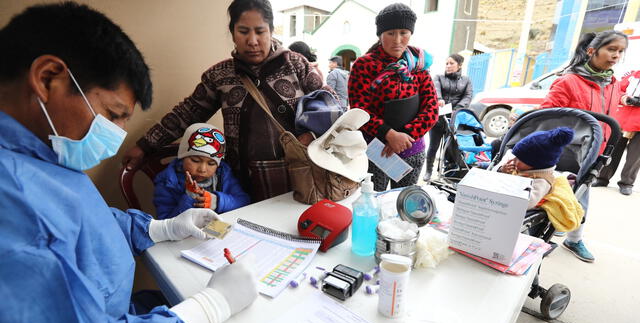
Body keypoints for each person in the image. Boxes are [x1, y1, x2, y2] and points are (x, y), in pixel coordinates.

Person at [0, 3, 257, 323]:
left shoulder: (42, 157)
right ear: (48, 78)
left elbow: (85, 221)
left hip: (130, 318)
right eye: (114, 114)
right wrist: (208, 308)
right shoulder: (13, 204)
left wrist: (159, 227)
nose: (118, 134)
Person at [123, 0, 332, 201]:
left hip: (301, 179)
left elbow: (330, 103)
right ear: (232, 33)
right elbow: (186, 113)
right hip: (243, 186)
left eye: (260, 31)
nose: (252, 41)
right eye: (243, 31)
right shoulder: (219, 76)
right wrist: (144, 146)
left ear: (270, 30)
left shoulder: (296, 65)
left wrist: (311, 134)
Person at [540, 30, 628, 263]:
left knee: (581, 194)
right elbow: (547, 114)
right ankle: (542, 235)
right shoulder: (568, 81)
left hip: (596, 151)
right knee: (552, 193)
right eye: (611, 49)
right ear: (592, 51)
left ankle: (573, 238)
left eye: (620, 51)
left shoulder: (613, 83)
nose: (616, 55)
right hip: (565, 152)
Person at [348, 3, 439, 191]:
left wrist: (405, 137)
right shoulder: (364, 65)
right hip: (376, 151)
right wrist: (389, 134)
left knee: (403, 204)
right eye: (390, 33)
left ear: (411, 33)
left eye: (403, 32)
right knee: (373, 200)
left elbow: (431, 108)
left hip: (412, 148)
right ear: (380, 34)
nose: (397, 40)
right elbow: (359, 110)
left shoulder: (418, 64)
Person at [154, 123, 250, 219]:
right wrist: (190, 198)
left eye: (211, 163)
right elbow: (165, 222)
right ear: (182, 157)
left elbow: (244, 201)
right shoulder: (167, 182)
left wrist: (218, 202)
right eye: (195, 160)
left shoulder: (223, 174)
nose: (202, 169)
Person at [424, 53, 473, 181]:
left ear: (459, 65)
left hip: (454, 119)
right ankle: (429, 170)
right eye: (447, 63)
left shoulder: (466, 80)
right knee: (433, 146)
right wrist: (439, 99)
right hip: (438, 117)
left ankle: (447, 170)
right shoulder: (438, 77)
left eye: (451, 63)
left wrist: (456, 110)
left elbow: (467, 97)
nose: (448, 66)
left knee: (451, 147)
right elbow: (435, 90)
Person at [598, 70, 640, 195]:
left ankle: (626, 183)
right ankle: (602, 177)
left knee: (635, 156)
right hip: (623, 118)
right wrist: (625, 98)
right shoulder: (633, 75)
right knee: (613, 150)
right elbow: (617, 89)